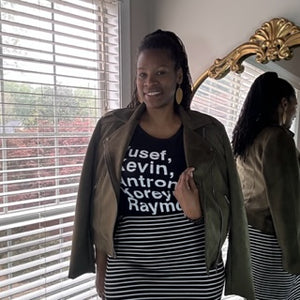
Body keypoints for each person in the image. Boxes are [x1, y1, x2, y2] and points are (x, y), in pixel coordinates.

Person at [68, 29, 254, 300]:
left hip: (193, 271)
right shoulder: (111, 129)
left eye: (161, 73)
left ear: (178, 75)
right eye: (142, 74)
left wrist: (197, 212)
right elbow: (99, 205)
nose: (149, 82)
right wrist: (102, 268)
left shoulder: (209, 131)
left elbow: (232, 205)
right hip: (128, 269)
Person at [232, 71, 300, 300]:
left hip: (249, 239)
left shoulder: (248, 137)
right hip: (272, 241)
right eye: (294, 107)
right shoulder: (277, 138)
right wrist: (294, 257)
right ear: (283, 104)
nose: (294, 114)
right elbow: (285, 206)